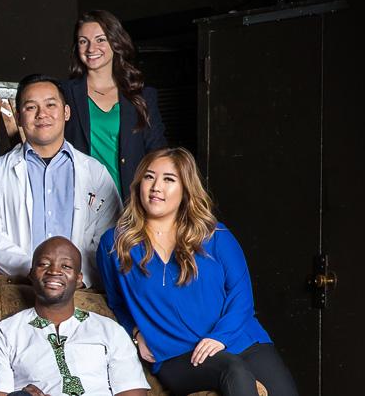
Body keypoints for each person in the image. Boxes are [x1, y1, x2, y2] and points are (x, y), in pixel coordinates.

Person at [96, 148, 299, 396]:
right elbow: (117, 301)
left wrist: (220, 338)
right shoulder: (115, 244)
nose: (156, 187)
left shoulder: (215, 235)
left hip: (239, 338)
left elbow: (241, 296)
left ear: (185, 189)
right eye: (149, 177)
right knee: (233, 369)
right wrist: (137, 332)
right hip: (177, 352)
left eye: (169, 179)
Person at [0, 75, 119, 282]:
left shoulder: (95, 172)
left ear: (66, 112)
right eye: (31, 107)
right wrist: (31, 270)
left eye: (51, 104)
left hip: (82, 290)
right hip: (20, 286)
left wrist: (76, 275)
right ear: (19, 116)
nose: (42, 114)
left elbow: (109, 233)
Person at [0, 237, 149, 396]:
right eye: (44, 264)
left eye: (66, 266)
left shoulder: (110, 330)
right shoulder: (4, 333)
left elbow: (131, 390)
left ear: (79, 280)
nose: (54, 271)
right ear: (31, 274)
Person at [62, 11, 166, 191]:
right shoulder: (64, 93)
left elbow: (157, 153)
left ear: (115, 42)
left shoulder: (142, 96)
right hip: (82, 203)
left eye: (100, 40)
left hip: (130, 203)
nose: (91, 48)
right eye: (83, 41)